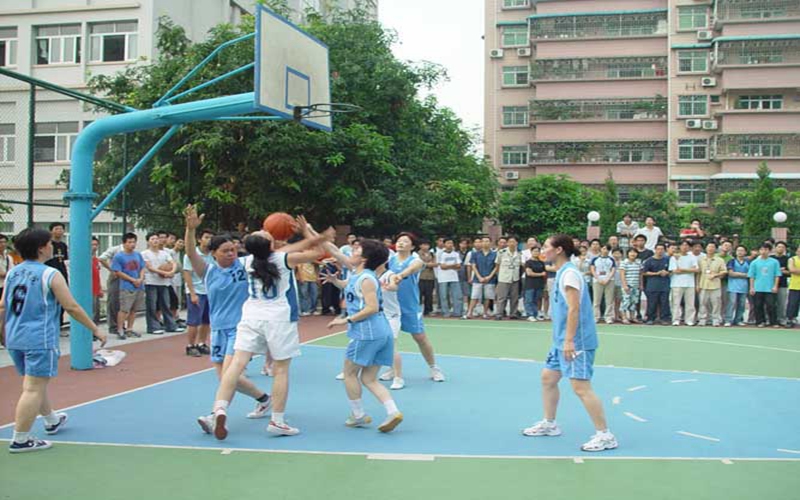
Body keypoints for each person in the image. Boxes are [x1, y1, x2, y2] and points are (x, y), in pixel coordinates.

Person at [210, 220, 334, 439]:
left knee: (235, 365)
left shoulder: (245, 261)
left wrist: (311, 236)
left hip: (251, 315)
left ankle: (219, 409)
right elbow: (317, 251)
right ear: (269, 245)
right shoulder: (284, 259)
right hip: (278, 317)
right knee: (281, 369)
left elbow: (289, 248)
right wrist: (311, 232)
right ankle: (277, 420)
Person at [1, 228, 106, 454]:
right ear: (41, 248)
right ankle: (21, 439)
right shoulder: (50, 274)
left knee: (35, 384)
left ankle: (51, 420)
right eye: (49, 243)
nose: (52, 246)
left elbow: (3, 305)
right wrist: (95, 329)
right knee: (32, 388)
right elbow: (71, 306)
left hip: (14, 336)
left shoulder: (13, 272)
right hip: (39, 337)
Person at [181, 207, 273, 435]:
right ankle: (264, 398)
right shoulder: (208, 271)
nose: (232, 253)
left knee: (230, 375)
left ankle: (216, 414)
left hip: (241, 329)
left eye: (234, 249)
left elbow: (267, 252)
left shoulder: (244, 266)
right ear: (213, 253)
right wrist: (190, 229)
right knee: (226, 377)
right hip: (218, 329)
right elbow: (191, 252)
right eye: (226, 251)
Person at [522, 234, 617, 452]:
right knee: (548, 378)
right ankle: (550, 423)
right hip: (561, 340)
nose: (541, 249)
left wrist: (569, 341)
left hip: (576, 342)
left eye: (545, 246)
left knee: (581, 387)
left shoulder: (570, 275)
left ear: (558, 250)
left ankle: (605, 435)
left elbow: (574, 309)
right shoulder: (562, 272)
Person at [327, 240, 404, 432]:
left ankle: (358, 415)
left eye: (357, 249)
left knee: (349, 373)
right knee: (369, 378)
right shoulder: (359, 275)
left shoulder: (367, 279)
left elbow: (372, 307)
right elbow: (350, 285)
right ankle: (393, 412)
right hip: (380, 331)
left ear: (364, 258)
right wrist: (336, 282)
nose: (352, 251)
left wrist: (346, 319)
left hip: (367, 332)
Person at [387, 233, 445, 382]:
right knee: (388, 339)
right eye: (399, 241)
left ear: (412, 246)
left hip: (410, 305)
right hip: (390, 306)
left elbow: (412, 269)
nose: (400, 243)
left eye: (405, 241)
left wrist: (400, 275)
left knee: (420, 337)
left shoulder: (416, 260)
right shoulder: (390, 259)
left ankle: (433, 367)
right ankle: (392, 369)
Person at [142, 232, 181, 335]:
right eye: (152, 239)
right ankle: (153, 327)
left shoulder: (164, 253)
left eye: (156, 239)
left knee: (166, 305)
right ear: (148, 241)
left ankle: (171, 325)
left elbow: (173, 263)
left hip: (164, 283)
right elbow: (150, 268)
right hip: (151, 282)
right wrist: (165, 272)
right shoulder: (144, 253)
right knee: (152, 305)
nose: (155, 241)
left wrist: (172, 271)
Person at [184, 229, 214, 357]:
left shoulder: (213, 254)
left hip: (209, 291)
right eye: (206, 237)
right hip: (197, 291)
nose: (209, 240)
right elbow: (187, 273)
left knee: (206, 321)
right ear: (199, 239)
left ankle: (202, 343)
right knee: (194, 321)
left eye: (211, 237)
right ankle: (191, 345)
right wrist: (192, 293)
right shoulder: (191, 254)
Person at [111, 233, 146, 339]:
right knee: (124, 309)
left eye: (134, 242)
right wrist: (132, 280)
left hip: (139, 286)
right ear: (124, 243)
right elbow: (118, 271)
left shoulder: (138, 255)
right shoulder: (119, 256)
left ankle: (130, 329)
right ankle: (120, 329)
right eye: (129, 242)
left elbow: (142, 268)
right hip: (127, 286)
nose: (132, 244)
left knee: (134, 309)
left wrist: (140, 278)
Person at [748, 243, 782, 328]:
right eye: (762, 249)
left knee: (771, 305)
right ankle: (760, 321)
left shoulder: (774, 262)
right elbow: (751, 276)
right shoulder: (754, 262)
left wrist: (775, 286)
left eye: (766, 250)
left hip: (770, 288)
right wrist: (752, 287)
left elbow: (777, 275)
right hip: (758, 287)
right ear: (759, 251)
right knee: (758, 305)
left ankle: (773, 321)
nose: (763, 252)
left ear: (769, 251)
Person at [45, 222, 69, 329]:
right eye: (57, 229)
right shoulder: (47, 245)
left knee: (62, 301)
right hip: (50, 275)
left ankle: (59, 324)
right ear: (51, 231)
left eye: (61, 229)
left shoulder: (63, 245)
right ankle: (50, 325)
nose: (59, 231)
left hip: (62, 274)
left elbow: (65, 260)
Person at [466, 237, 497, 319]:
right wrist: (479, 277)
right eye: (483, 241)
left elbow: (496, 267)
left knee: (487, 297)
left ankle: (485, 313)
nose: (485, 243)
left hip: (490, 279)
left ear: (490, 243)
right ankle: (469, 312)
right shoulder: (475, 253)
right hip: (477, 278)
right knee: (474, 296)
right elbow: (473, 265)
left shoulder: (495, 254)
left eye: (487, 241)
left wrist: (489, 276)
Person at [669, 240, 699, 326]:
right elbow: (675, 271)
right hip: (676, 283)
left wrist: (683, 269)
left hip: (690, 283)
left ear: (689, 247)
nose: (685, 247)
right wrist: (689, 270)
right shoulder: (674, 257)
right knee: (676, 303)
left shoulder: (692, 257)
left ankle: (689, 320)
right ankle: (675, 320)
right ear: (680, 247)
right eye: (683, 245)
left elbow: (696, 269)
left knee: (690, 303)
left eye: (686, 245)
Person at [697, 242, 726, 327]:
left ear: (715, 249)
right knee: (702, 302)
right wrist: (697, 285)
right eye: (709, 247)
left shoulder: (720, 260)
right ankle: (702, 319)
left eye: (712, 247)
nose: (710, 249)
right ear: (706, 248)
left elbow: (724, 271)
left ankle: (715, 319)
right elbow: (698, 273)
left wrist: (715, 275)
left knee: (716, 303)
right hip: (703, 284)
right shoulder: (701, 259)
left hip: (715, 285)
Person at [642, 243, 671, 325]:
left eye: (662, 249)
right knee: (652, 302)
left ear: (664, 250)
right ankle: (650, 318)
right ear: (655, 249)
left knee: (664, 302)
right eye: (658, 249)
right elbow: (645, 272)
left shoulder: (667, 260)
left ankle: (664, 318)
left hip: (664, 285)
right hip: (652, 285)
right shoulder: (649, 260)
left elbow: (672, 270)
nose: (660, 251)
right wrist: (656, 273)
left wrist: (667, 272)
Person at [98, 241, 123, 337]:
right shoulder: (115, 249)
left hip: (127, 277)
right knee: (113, 301)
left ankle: (121, 325)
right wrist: (111, 269)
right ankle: (113, 326)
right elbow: (102, 258)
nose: (132, 244)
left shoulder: (132, 252)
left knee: (123, 302)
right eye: (129, 242)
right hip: (116, 276)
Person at [494, 235, 522, 320]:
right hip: (503, 278)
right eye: (510, 242)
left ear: (516, 243)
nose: (512, 243)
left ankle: (513, 313)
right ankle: (499, 313)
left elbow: (522, 266)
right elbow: (497, 265)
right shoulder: (501, 252)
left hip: (515, 278)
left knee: (514, 297)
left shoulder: (520, 253)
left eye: (513, 241)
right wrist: (500, 275)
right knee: (502, 297)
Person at [436, 238, 463, 318]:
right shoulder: (440, 254)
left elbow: (459, 266)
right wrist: (452, 266)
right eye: (448, 243)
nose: (450, 245)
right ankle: (446, 312)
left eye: (451, 243)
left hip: (454, 277)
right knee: (444, 296)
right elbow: (442, 266)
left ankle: (457, 312)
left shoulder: (456, 254)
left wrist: (448, 266)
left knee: (457, 295)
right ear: (444, 244)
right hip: (443, 278)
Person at [590, 245, 616, 324]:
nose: (605, 250)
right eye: (604, 248)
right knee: (596, 300)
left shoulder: (611, 259)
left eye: (607, 249)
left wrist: (607, 279)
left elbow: (613, 270)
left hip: (609, 281)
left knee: (609, 300)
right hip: (597, 281)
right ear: (601, 249)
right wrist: (598, 279)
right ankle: (596, 317)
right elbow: (593, 270)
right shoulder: (595, 259)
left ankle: (608, 317)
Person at [725, 245, 750, 327]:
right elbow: (731, 273)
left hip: (744, 287)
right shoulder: (731, 261)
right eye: (738, 250)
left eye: (742, 250)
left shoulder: (748, 262)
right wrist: (744, 274)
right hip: (733, 286)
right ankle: (728, 319)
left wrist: (738, 274)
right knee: (732, 303)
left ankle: (738, 320)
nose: (740, 252)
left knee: (742, 304)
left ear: (745, 252)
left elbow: (750, 274)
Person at [619, 248, 642, 324]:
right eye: (631, 252)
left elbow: (640, 274)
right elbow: (622, 274)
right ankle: (624, 317)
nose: (633, 254)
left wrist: (641, 284)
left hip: (636, 286)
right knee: (625, 301)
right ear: (628, 254)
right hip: (627, 285)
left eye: (634, 252)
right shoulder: (624, 263)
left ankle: (632, 317)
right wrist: (625, 285)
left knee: (634, 302)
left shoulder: (638, 263)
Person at [524, 247, 546, 322]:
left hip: (539, 284)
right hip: (530, 284)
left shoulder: (541, 263)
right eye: (534, 251)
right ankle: (530, 314)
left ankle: (535, 314)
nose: (536, 253)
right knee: (529, 299)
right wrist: (541, 274)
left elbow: (545, 273)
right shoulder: (528, 262)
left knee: (536, 300)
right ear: (531, 252)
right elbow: (529, 273)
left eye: (537, 251)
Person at [417, 240, 436, 316]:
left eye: (427, 245)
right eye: (424, 244)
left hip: (430, 277)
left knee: (429, 295)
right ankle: (417, 310)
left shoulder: (432, 254)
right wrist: (428, 264)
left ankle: (428, 310)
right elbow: (419, 264)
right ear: (420, 246)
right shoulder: (416, 254)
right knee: (419, 294)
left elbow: (435, 264)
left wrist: (427, 264)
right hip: (420, 276)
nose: (426, 247)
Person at [774, 242, 790, 326]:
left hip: (783, 284)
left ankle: (782, 319)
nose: (780, 248)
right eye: (779, 247)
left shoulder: (788, 259)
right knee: (770, 303)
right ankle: (770, 319)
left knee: (782, 303)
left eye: (782, 247)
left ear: (785, 249)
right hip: (770, 284)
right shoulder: (771, 258)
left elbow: (790, 272)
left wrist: (783, 271)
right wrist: (779, 270)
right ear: (775, 248)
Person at [787, 244, 800, 328]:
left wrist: (797, 270)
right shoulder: (792, 259)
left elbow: (795, 270)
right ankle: (790, 319)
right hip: (794, 286)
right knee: (793, 304)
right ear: (796, 251)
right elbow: (792, 270)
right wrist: (795, 270)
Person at [91, 237, 103, 323]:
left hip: (96, 289)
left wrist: (100, 288)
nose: (94, 247)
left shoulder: (95, 259)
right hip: (88, 290)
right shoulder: (82, 259)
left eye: (96, 244)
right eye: (92, 245)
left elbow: (97, 276)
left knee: (96, 312)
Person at [0, 233, 14, 306]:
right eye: (0, 242)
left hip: (6, 286)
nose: (3, 244)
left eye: (4, 242)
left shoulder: (9, 257)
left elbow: (12, 271)